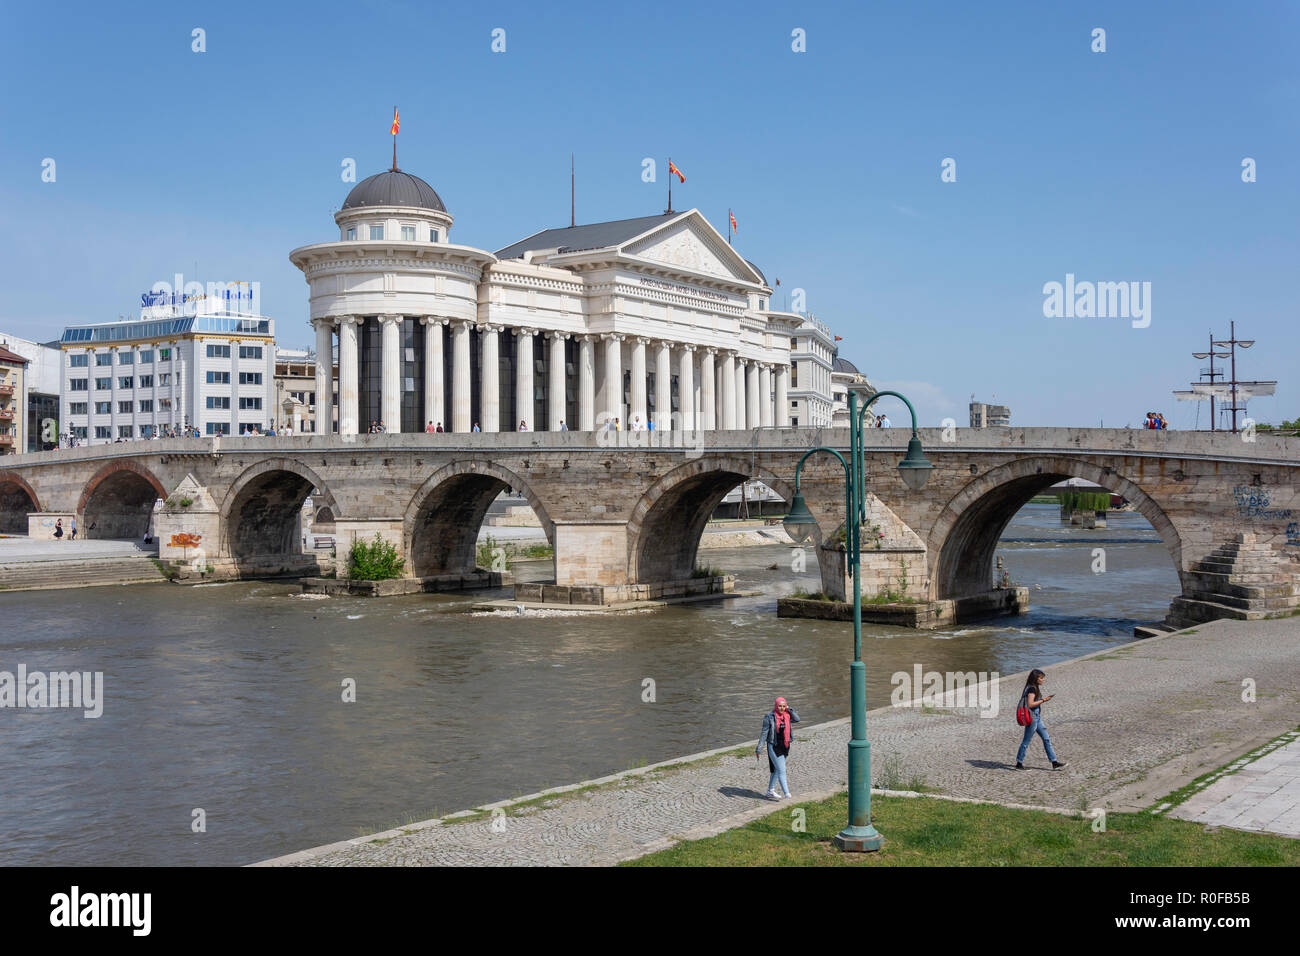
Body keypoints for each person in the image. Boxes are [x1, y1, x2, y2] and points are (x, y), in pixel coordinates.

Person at [1015, 668, 1067, 770]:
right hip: (1033, 718)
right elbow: (1030, 704)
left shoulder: (1032, 687)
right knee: (1026, 740)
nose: (1043, 680)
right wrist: (1044, 700)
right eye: (1041, 678)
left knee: (1046, 739)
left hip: (1037, 718)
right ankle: (1019, 763)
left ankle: (1054, 762)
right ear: (1036, 679)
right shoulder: (1032, 689)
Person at [755, 697, 800, 799]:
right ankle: (787, 794)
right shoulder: (769, 717)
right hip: (774, 746)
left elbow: (797, 719)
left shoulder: (787, 715)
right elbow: (764, 734)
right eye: (780, 706)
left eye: (784, 706)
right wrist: (759, 749)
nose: (782, 708)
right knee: (782, 770)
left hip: (785, 745)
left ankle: (770, 791)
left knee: (776, 769)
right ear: (776, 706)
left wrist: (789, 709)